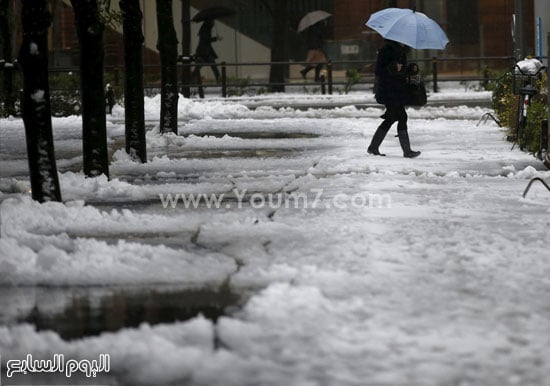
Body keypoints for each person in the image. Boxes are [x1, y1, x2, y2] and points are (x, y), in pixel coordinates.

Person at [368, 40, 421, 158]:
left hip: (397, 91)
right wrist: (392, 67)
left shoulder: (402, 51)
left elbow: (400, 72)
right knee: (402, 116)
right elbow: (379, 71)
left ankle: (373, 147)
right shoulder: (386, 51)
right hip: (388, 91)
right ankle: (407, 151)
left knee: (391, 118)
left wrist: (411, 69)